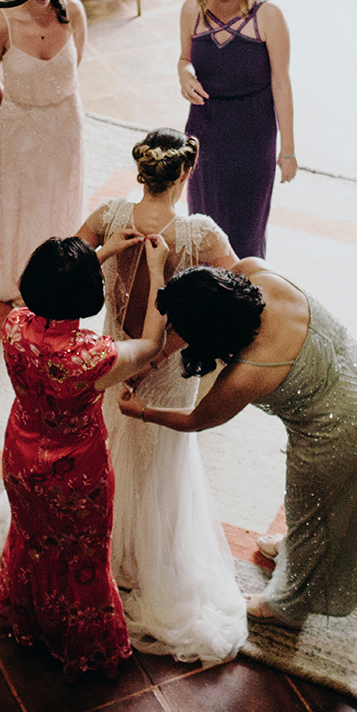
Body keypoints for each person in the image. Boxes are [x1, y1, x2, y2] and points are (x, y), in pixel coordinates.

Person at [118, 263, 357, 627]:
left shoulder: (247, 371)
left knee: (316, 511)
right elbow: (201, 311)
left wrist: (144, 411)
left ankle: (285, 608)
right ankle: (294, 547)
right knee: (310, 505)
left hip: (341, 427)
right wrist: (157, 358)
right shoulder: (254, 273)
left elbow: (197, 419)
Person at [73, 128, 248, 663]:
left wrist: (103, 254)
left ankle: (104, 542)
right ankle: (148, 558)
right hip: (168, 367)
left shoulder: (108, 216)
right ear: (186, 174)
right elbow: (240, 297)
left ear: (141, 173)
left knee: (110, 442)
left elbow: (64, 268)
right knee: (158, 459)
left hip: (113, 357)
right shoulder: (201, 236)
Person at [0, 234, 168, 681]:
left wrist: (96, 254)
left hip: (20, 454)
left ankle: (30, 620)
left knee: (32, 538)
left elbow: (43, 294)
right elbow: (150, 344)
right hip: (75, 470)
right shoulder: (92, 356)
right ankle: (83, 644)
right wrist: (159, 270)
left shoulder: (12, 324)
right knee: (83, 553)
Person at [178, 0, 295, 259]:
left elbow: (281, 83)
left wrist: (287, 150)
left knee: (246, 230)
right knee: (203, 223)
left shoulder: (268, 16)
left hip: (253, 133)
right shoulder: (193, 10)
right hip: (204, 129)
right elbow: (184, 59)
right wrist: (184, 75)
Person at [0, 0, 87, 301]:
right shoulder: (1, 24)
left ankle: (65, 277)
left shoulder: (73, 12)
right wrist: (14, 108)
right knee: (24, 203)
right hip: (21, 126)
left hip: (66, 120)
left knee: (62, 195)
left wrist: (53, 99)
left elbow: (75, 65)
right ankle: (23, 280)